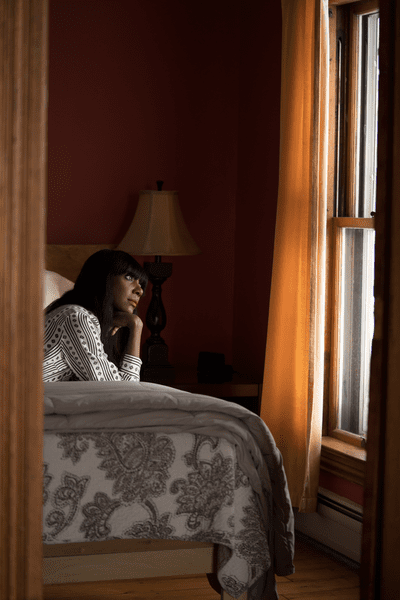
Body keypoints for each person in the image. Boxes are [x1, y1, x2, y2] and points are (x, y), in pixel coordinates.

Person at [43, 249, 148, 382]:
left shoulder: (82, 318)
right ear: (103, 277)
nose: (139, 290)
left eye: (141, 284)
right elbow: (122, 390)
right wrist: (136, 326)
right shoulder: (76, 317)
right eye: (129, 277)